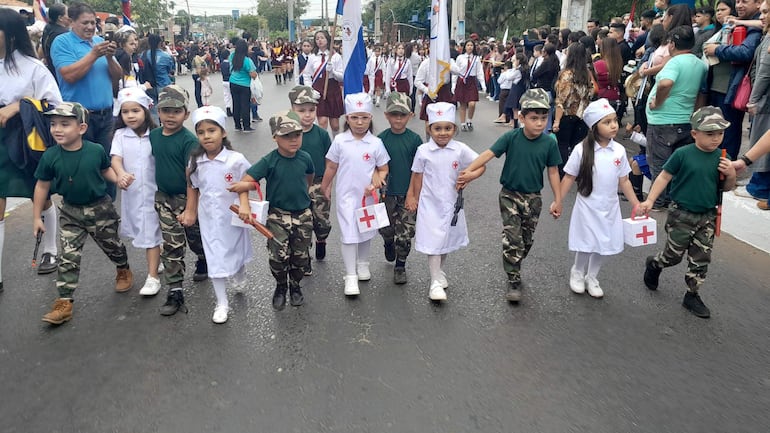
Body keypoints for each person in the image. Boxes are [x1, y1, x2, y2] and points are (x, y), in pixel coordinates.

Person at [457, 89, 562, 303]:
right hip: (510, 195)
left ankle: (513, 259)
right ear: (521, 118)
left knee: (526, 240)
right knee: (513, 238)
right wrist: (469, 171)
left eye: (544, 118)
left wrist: (558, 200)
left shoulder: (549, 142)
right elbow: (488, 154)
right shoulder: (511, 137)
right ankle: (513, 278)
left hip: (534, 198)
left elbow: (553, 171)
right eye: (534, 118)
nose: (540, 123)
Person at [32, 102, 133, 325]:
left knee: (113, 246)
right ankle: (64, 302)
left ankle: (123, 268)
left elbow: (106, 170)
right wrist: (36, 216)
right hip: (71, 212)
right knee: (68, 257)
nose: (57, 129)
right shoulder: (50, 156)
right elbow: (42, 186)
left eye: (65, 124)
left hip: (100, 209)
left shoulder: (95, 150)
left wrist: (120, 180)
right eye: (54, 124)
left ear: (82, 128)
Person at [638, 106, 737, 319]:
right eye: (710, 134)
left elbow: (727, 187)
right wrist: (650, 200)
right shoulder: (683, 154)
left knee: (701, 258)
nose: (716, 139)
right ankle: (655, 264)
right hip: (681, 214)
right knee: (673, 256)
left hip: (707, 216)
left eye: (720, 133)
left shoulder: (722, 157)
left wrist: (730, 173)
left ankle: (692, 294)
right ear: (694, 134)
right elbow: (664, 176)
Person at [0, 8, 64, 289]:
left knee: (40, 194)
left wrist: (20, 105)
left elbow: (54, 104)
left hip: (25, 141)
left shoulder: (33, 67)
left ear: (10, 34)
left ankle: (51, 248)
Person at [552, 99, 640, 298]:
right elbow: (569, 177)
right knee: (586, 242)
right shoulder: (581, 150)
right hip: (587, 205)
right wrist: (558, 201)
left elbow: (624, 180)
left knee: (603, 244)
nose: (613, 126)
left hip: (609, 206)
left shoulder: (618, 150)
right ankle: (577, 272)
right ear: (594, 127)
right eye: (606, 122)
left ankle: (592, 276)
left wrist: (636, 204)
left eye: (614, 121)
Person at [230, 111, 313, 310]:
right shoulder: (270, 160)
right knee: (277, 256)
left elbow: (309, 177)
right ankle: (281, 285)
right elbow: (247, 181)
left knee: (300, 256)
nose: (293, 140)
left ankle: (295, 286)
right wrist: (243, 200)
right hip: (277, 216)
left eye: (297, 135)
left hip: (303, 214)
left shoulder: (305, 157)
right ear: (275, 137)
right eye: (286, 136)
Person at [405, 102, 483, 301]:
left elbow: (481, 163)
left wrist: (470, 176)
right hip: (429, 204)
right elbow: (417, 176)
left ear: (454, 129)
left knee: (446, 241)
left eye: (447, 128)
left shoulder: (460, 149)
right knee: (434, 242)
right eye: (437, 128)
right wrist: (412, 196)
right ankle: (434, 282)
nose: (442, 133)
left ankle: (439, 272)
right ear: (429, 129)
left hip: (451, 204)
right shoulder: (423, 151)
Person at [182, 107, 252, 323]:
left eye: (211, 130)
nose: (206, 136)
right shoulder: (196, 162)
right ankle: (222, 302)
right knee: (215, 257)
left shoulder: (235, 159)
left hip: (234, 216)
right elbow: (193, 187)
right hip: (209, 219)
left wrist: (244, 205)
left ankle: (239, 271)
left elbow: (247, 183)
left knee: (236, 251)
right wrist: (190, 211)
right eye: (201, 132)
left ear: (223, 133)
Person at [50, 2, 123, 199]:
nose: (90, 27)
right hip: (79, 118)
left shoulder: (99, 42)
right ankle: (82, 210)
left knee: (106, 162)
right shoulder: (62, 42)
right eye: (85, 23)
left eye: (93, 22)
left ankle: (107, 209)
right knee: (82, 165)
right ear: (71, 22)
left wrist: (108, 57)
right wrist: (93, 55)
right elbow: (69, 76)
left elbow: (117, 76)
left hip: (105, 116)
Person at [320, 93, 389, 297]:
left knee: (366, 230)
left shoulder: (375, 143)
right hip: (346, 196)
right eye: (354, 117)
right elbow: (331, 165)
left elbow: (383, 168)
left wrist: (378, 180)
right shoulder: (340, 141)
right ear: (347, 118)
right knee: (349, 234)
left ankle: (363, 263)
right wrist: (326, 186)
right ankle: (350, 275)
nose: (359, 122)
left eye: (364, 117)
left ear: (371, 118)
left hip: (367, 197)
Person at [150, 85, 208, 316]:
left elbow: (192, 177)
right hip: (164, 199)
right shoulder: (154, 136)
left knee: (195, 240)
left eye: (176, 111)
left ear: (185, 113)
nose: (170, 116)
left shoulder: (189, 141)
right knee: (172, 245)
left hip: (187, 198)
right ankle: (175, 290)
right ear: (158, 111)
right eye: (165, 111)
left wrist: (191, 209)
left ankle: (203, 259)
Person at [646, 25, 707, 210]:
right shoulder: (700, 64)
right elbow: (701, 93)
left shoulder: (674, 62)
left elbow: (665, 83)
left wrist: (657, 102)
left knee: (659, 163)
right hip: (685, 120)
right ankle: (674, 199)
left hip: (662, 120)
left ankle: (657, 201)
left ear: (672, 44)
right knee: (678, 163)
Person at [110, 86, 162, 296]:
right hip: (132, 193)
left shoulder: (156, 135)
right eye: (125, 111)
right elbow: (115, 158)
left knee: (151, 231)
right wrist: (120, 174)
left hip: (154, 191)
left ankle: (153, 277)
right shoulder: (120, 135)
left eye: (135, 110)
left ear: (146, 111)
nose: (130, 116)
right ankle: (158, 258)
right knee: (144, 229)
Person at [703, 0, 763, 160]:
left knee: (728, 134)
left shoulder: (753, 28)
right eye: (737, 1)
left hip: (731, 91)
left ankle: (726, 173)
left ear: (759, 4)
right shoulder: (732, 26)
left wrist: (717, 49)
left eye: (744, 1)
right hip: (718, 88)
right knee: (715, 132)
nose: (739, 5)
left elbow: (745, 52)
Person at [378, 92, 422, 284]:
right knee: (387, 229)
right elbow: (375, 166)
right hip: (386, 193)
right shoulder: (380, 140)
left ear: (410, 115)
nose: (398, 119)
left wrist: (414, 194)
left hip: (407, 193)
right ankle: (388, 242)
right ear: (386, 115)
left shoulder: (415, 140)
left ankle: (400, 265)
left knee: (405, 233)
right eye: (394, 114)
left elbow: (419, 170)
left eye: (402, 115)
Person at [287, 86, 332, 272]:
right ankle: (304, 259)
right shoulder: (288, 134)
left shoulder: (321, 134)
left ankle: (321, 239)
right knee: (301, 224)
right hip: (297, 184)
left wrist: (327, 186)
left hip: (319, 183)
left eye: (311, 110)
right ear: (292, 109)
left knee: (321, 220)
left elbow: (330, 161)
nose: (307, 115)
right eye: (301, 110)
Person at [742, 0, 770, 208]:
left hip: (764, 102)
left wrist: (754, 99)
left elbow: (763, 74)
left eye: (765, 12)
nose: (761, 17)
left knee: (761, 139)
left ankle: (760, 187)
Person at [553, 43, 595, 177]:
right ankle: (578, 172)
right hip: (582, 115)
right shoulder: (587, 74)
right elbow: (591, 92)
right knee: (578, 146)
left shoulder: (566, 74)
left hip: (567, 114)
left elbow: (561, 99)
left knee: (562, 145)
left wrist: (556, 120)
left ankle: (563, 173)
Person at [303, 30, 344, 135]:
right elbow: (307, 74)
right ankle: (324, 146)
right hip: (318, 89)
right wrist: (310, 89)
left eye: (322, 38)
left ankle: (336, 146)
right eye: (317, 38)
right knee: (322, 122)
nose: (319, 40)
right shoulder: (313, 57)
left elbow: (342, 77)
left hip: (332, 88)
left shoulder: (336, 56)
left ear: (327, 39)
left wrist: (333, 72)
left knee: (335, 125)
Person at [451, 40, 486, 131]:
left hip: (471, 81)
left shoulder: (476, 58)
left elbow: (479, 72)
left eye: (471, 45)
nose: (470, 47)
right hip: (461, 81)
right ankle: (462, 123)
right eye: (468, 45)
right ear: (465, 47)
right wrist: (453, 85)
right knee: (462, 104)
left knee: (472, 103)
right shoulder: (460, 58)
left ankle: (469, 120)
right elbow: (456, 72)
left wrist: (483, 84)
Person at [229, 39, 258, 132]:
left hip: (233, 82)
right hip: (244, 85)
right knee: (245, 105)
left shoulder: (232, 56)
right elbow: (253, 74)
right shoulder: (247, 60)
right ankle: (246, 126)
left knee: (235, 104)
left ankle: (237, 125)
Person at [40, 3, 70, 79]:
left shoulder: (48, 28)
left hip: (50, 71)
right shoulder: (63, 34)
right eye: (68, 14)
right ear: (60, 18)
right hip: (60, 75)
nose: (70, 17)